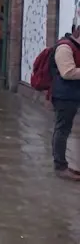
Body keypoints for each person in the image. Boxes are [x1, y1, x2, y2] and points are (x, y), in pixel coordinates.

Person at [51, 25, 80, 180]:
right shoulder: (65, 48)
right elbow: (67, 72)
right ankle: (60, 166)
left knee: (66, 129)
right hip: (64, 96)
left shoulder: (76, 46)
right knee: (62, 129)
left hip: (73, 94)